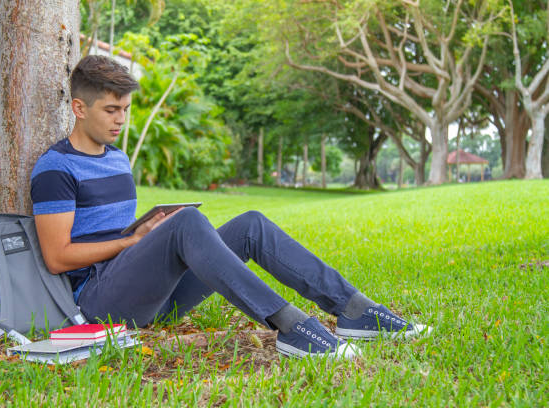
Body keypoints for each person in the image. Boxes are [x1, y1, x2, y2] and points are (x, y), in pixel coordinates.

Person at [31, 56, 431, 359]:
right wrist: (132, 242)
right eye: (110, 110)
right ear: (80, 108)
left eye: (125, 110)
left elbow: (113, 228)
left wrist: (143, 237)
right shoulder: (56, 168)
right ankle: (291, 327)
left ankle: (355, 309)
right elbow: (57, 258)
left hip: (151, 295)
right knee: (187, 222)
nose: (120, 120)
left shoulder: (116, 157)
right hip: (99, 305)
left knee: (251, 225)